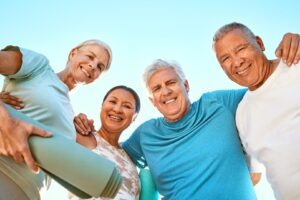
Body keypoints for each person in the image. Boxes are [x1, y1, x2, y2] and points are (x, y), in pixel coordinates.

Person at [74, 34, 300, 199]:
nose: (166, 91)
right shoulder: (146, 135)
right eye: (157, 89)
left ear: (186, 85)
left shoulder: (219, 103)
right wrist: (83, 127)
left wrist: (292, 48)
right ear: (152, 101)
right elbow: (112, 150)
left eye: (171, 83)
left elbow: (265, 83)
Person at [0, 40, 112, 200]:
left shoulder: (71, 116)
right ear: (73, 53)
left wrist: (84, 137)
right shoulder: (39, 68)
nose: (93, 65)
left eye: (100, 67)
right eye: (90, 56)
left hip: (29, 194)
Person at [213, 22, 300, 200]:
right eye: (226, 59)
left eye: (241, 49)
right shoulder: (242, 114)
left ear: (259, 43)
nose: (237, 62)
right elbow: (255, 174)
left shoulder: (295, 65)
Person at [70, 85, 141, 200]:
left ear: (134, 117)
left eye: (127, 106)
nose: (117, 109)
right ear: (102, 106)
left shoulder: (130, 157)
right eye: (113, 101)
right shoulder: (80, 136)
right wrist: (71, 121)